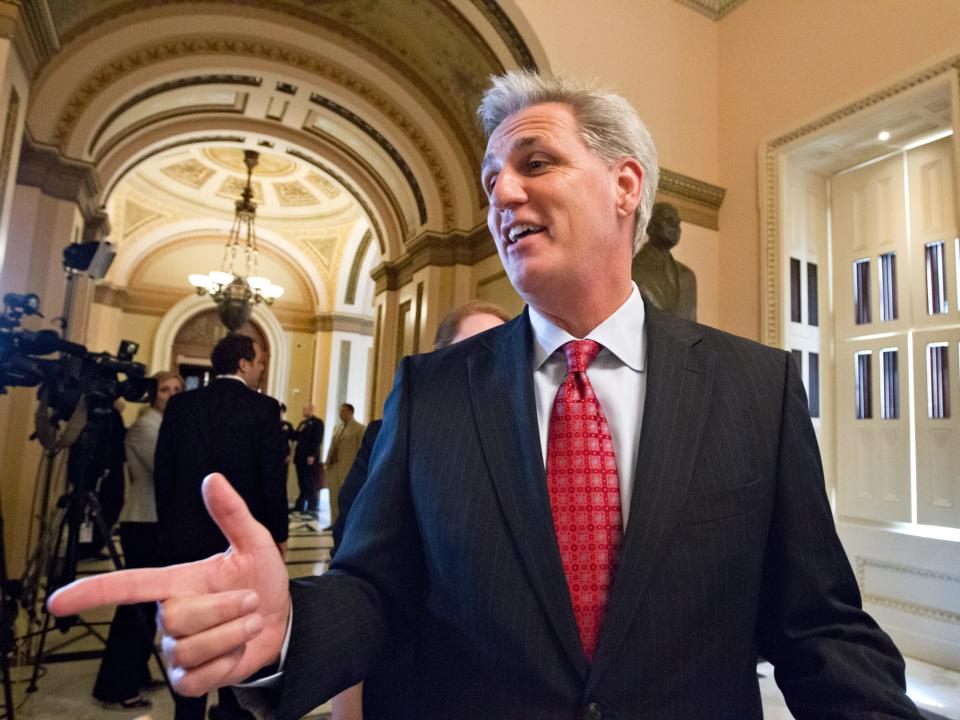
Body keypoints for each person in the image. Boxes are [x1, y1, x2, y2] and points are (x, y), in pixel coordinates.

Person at [49, 70, 923, 720]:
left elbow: (817, 629)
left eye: (536, 161)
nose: (502, 193)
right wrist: (281, 632)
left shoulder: (753, 388)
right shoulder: (434, 392)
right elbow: (375, 592)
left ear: (627, 186)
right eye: (492, 176)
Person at [328, 299, 511, 720]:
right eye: (470, 352)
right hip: (410, 679)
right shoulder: (388, 436)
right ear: (440, 362)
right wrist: (346, 700)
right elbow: (356, 573)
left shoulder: (528, 448)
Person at [153, 334, 288, 720]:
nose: (261, 368)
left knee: (188, 635)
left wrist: (172, 524)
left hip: (183, 542)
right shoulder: (263, 409)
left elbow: (164, 472)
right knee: (239, 631)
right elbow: (271, 480)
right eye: (259, 361)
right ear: (244, 364)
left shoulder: (181, 405)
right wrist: (277, 535)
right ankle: (232, 711)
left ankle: (189, 710)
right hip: (239, 547)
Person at [92, 371, 183, 711]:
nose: (171, 394)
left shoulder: (166, 426)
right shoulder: (147, 427)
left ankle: (137, 670)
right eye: (164, 390)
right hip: (143, 522)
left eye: (177, 389)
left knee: (149, 607)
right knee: (134, 608)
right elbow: (165, 472)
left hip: (155, 523)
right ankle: (114, 686)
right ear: (152, 396)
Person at [631, 201, 697, 321]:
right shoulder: (631, 269)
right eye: (669, 220)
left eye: (678, 223)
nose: (676, 227)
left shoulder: (687, 276)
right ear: (650, 226)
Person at [322, 403, 364, 529]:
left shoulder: (359, 429)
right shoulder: (337, 428)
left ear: (351, 412)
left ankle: (347, 524)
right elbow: (332, 447)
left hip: (348, 469)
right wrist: (327, 463)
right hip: (334, 467)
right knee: (333, 497)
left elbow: (361, 450)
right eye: (340, 411)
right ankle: (335, 523)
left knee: (347, 498)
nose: (341, 414)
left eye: (343, 411)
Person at [292, 404, 323, 514]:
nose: (303, 410)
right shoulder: (303, 423)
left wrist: (312, 455)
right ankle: (300, 505)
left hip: (309, 458)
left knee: (309, 481)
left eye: (304, 409)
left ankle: (312, 505)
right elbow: (295, 436)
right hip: (300, 458)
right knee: (302, 482)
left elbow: (317, 440)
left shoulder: (317, 423)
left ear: (311, 410)